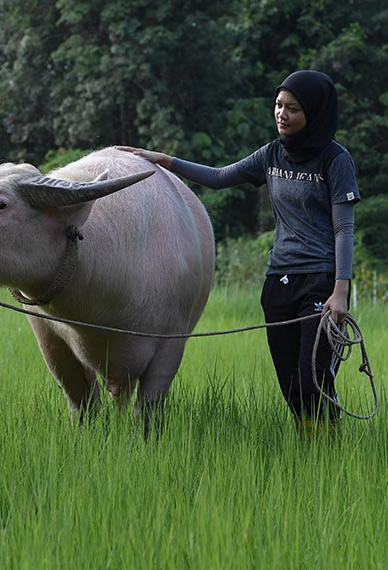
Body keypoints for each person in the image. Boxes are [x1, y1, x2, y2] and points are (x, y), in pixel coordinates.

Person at [117, 70, 360, 437]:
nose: (281, 114)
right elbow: (218, 176)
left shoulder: (335, 160)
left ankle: (330, 447)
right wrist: (166, 161)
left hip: (321, 283)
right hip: (278, 281)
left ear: (315, 112)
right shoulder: (272, 154)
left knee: (314, 380)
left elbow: (344, 228)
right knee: (292, 388)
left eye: (292, 108)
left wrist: (340, 290)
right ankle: (312, 448)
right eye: (278, 105)